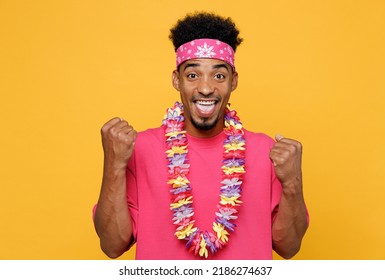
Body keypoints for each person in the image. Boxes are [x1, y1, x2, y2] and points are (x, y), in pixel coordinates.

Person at [93, 12, 308, 260]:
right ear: (177, 80)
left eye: (219, 75)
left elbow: (289, 247)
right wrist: (114, 164)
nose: (206, 88)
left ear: (233, 81)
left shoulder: (266, 151)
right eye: (193, 75)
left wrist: (293, 182)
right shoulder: (138, 148)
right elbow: (111, 245)